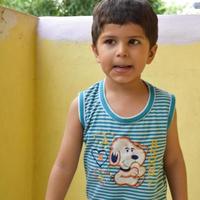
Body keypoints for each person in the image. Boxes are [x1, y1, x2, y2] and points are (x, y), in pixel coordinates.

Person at [45, 0, 188, 199]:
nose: (122, 51)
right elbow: (64, 165)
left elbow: (173, 161)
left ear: (151, 52)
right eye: (110, 41)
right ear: (96, 50)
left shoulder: (164, 105)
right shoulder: (83, 105)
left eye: (134, 41)